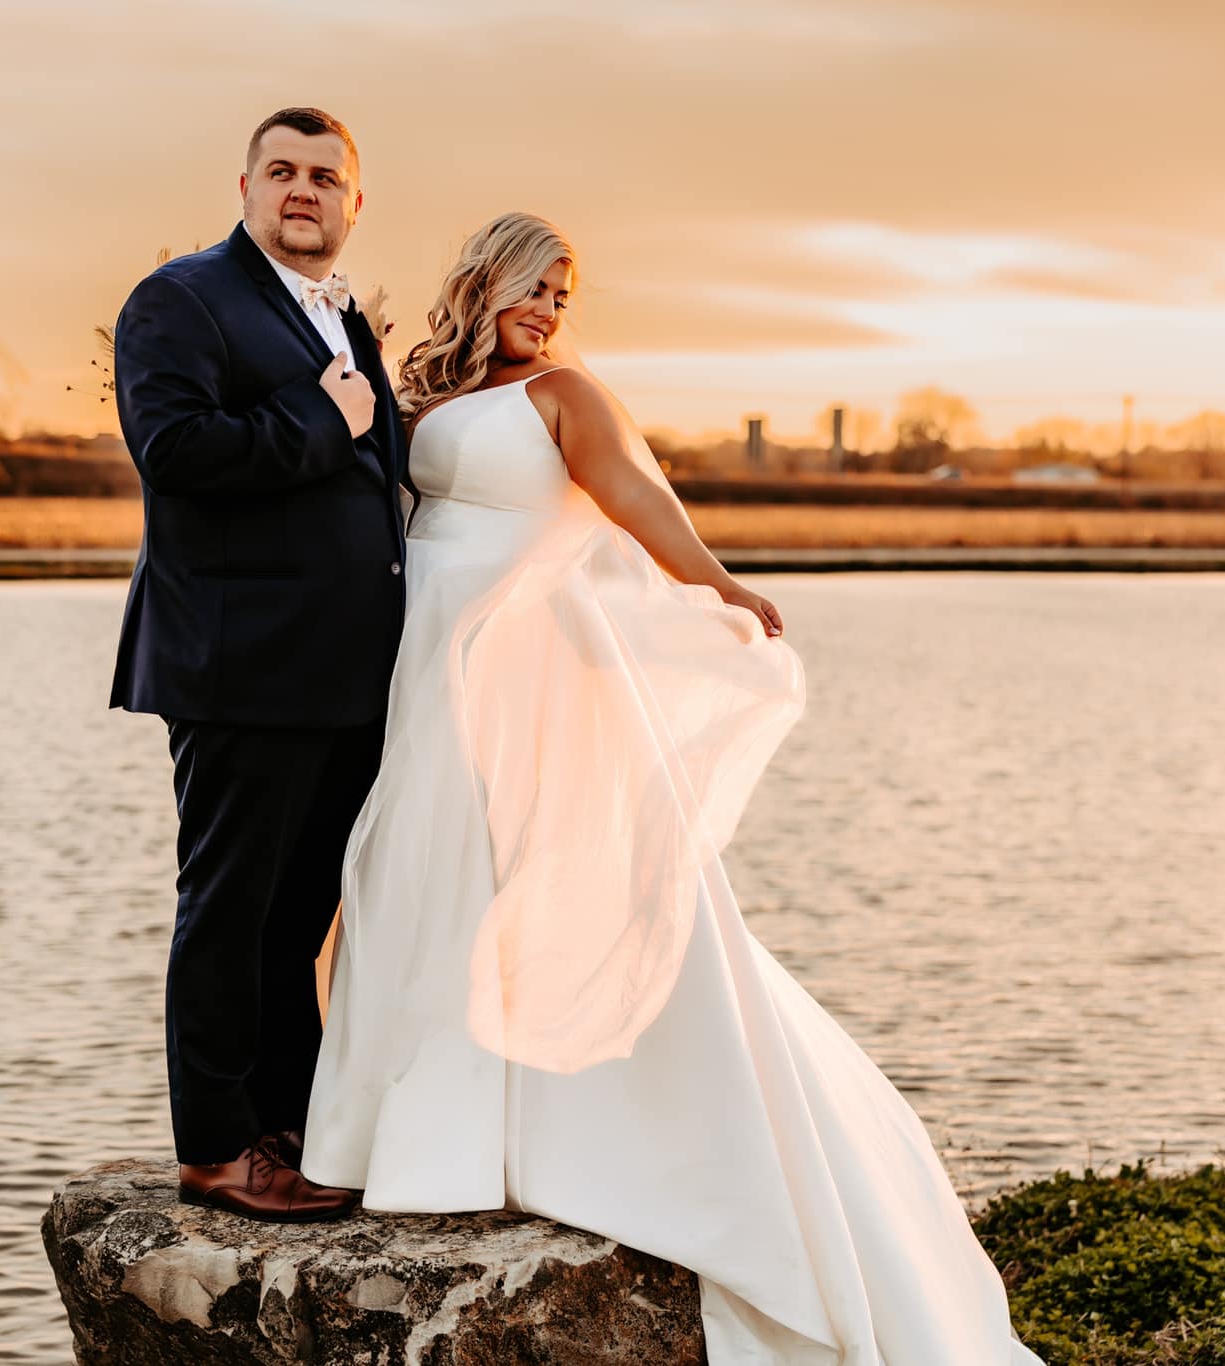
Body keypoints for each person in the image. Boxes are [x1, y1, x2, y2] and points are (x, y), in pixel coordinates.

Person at [301, 213, 1042, 1362]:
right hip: (433, 662)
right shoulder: (428, 398)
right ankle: (420, 1137)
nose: (546, 308)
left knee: (520, 872)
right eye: (529, 285)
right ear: (481, 280)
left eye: (563, 291)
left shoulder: (565, 394)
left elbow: (640, 504)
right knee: (422, 870)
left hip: (523, 658)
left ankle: (564, 1138)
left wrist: (718, 585)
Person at [109, 107, 405, 1221]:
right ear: (243, 186)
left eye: (324, 176)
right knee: (229, 912)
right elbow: (174, 452)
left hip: (342, 676)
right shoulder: (182, 300)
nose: (302, 190)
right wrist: (313, 420)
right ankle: (218, 1146)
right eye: (281, 170)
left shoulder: (344, 318)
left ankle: (292, 1126)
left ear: (353, 202)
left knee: (298, 922)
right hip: (241, 668)